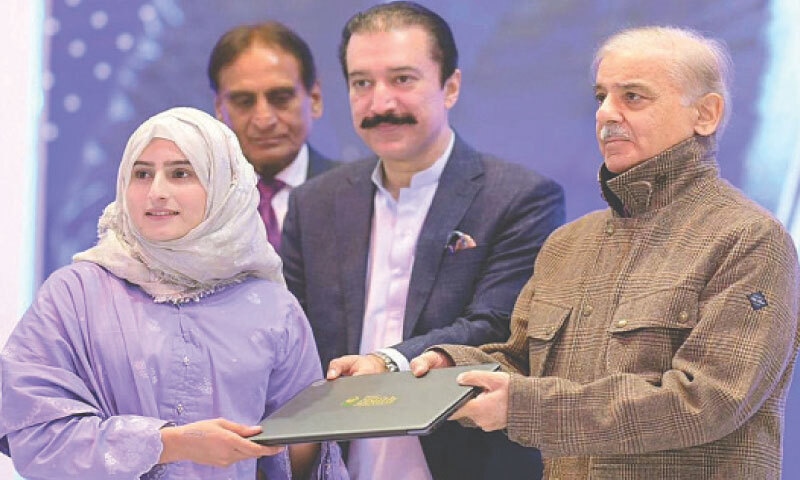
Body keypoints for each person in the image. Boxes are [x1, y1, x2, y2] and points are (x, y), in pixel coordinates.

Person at [411, 26, 800, 479]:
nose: (606, 114)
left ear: (706, 114)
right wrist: (450, 367)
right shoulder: (568, 244)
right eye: (601, 96)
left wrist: (527, 408)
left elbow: (708, 400)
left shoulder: (749, 237)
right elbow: (520, 361)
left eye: (633, 97)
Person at [281, 2, 565, 479]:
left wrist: (388, 363)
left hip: (464, 460)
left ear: (450, 86)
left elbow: (496, 324)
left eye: (403, 79)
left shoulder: (519, 198)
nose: (380, 104)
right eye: (361, 84)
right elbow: (289, 336)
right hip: (341, 465)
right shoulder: (314, 204)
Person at [0, 107, 346, 480]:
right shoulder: (74, 295)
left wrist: (330, 412)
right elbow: (34, 432)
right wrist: (171, 443)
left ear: (223, 188)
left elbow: (302, 458)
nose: (157, 192)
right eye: (142, 174)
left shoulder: (272, 307)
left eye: (181, 173)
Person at [208, 22, 339, 251]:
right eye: (244, 102)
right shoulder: (200, 208)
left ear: (315, 99)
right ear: (220, 109)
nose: (264, 119)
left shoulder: (359, 199)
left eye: (280, 98)